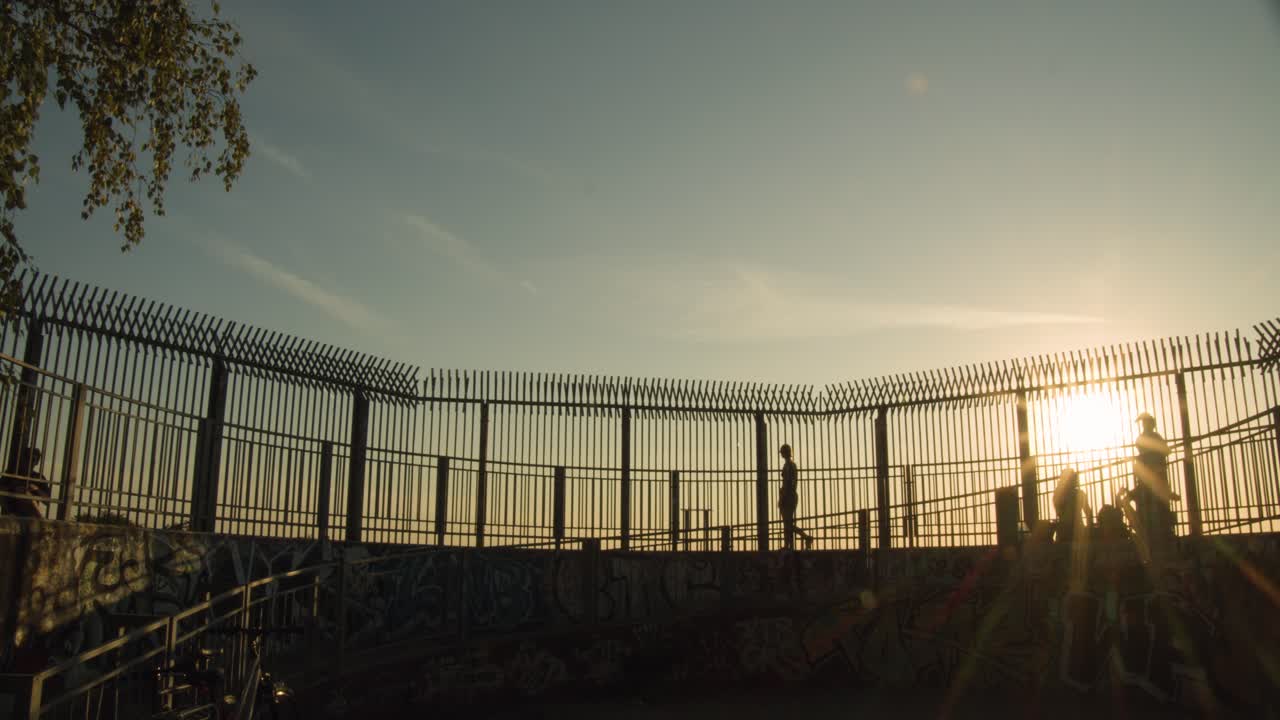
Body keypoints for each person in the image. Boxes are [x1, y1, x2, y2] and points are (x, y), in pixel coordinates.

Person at [1131, 413, 1179, 558]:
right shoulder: (1150, 437)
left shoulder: (1144, 438)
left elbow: (1151, 452)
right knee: (1158, 502)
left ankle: (1158, 529)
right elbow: (1165, 451)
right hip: (1153, 474)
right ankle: (1161, 529)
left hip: (1151, 475)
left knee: (1155, 502)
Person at [778, 444, 814, 550]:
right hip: (790, 495)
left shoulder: (789, 465)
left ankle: (803, 538)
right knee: (788, 523)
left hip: (788, 496)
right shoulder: (790, 465)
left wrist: (784, 495)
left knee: (787, 523)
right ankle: (791, 543)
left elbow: (789, 483)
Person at [2, 447, 49, 518]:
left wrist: (36, 489)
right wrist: (13, 489)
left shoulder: (39, 477)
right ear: (23, 459)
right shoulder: (11, 473)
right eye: (27, 458)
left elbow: (47, 501)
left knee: (28, 495)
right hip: (11, 513)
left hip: (30, 517)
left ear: (37, 462)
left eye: (32, 459)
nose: (29, 462)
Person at [1052, 468, 1093, 544]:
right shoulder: (1080, 494)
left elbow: (1059, 512)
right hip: (1078, 530)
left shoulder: (1058, 494)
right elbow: (1088, 512)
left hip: (1064, 531)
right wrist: (1089, 528)